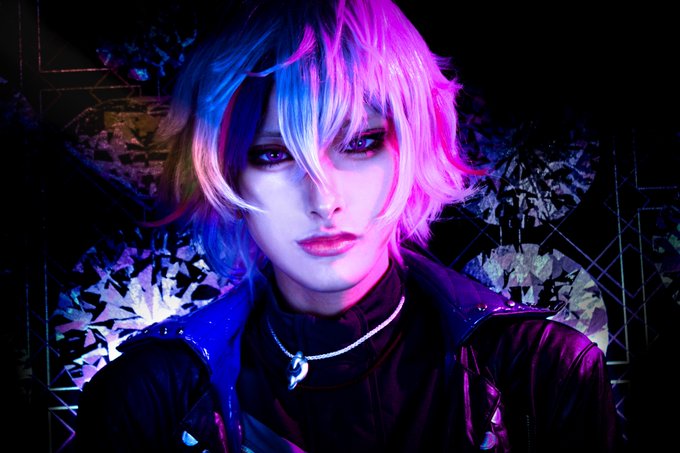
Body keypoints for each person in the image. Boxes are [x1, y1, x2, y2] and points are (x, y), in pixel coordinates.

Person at [73, 0, 620, 451]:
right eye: (274, 154)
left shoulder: (543, 373)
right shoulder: (147, 399)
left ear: (413, 145)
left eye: (359, 143)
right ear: (222, 170)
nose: (324, 199)